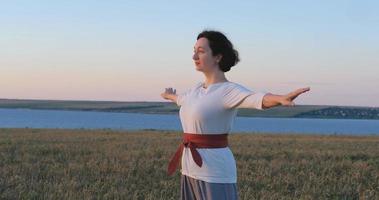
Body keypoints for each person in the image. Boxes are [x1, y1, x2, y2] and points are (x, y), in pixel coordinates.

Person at [161, 30, 310, 200]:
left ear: (218, 57)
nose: (194, 56)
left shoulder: (227, 90)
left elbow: (255, 98)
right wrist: (169, 95)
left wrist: (280, 98)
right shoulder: (196, 89)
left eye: (201, 51)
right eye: (194, 51)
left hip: (214, 170)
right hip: (189, 168)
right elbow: (182, 100)